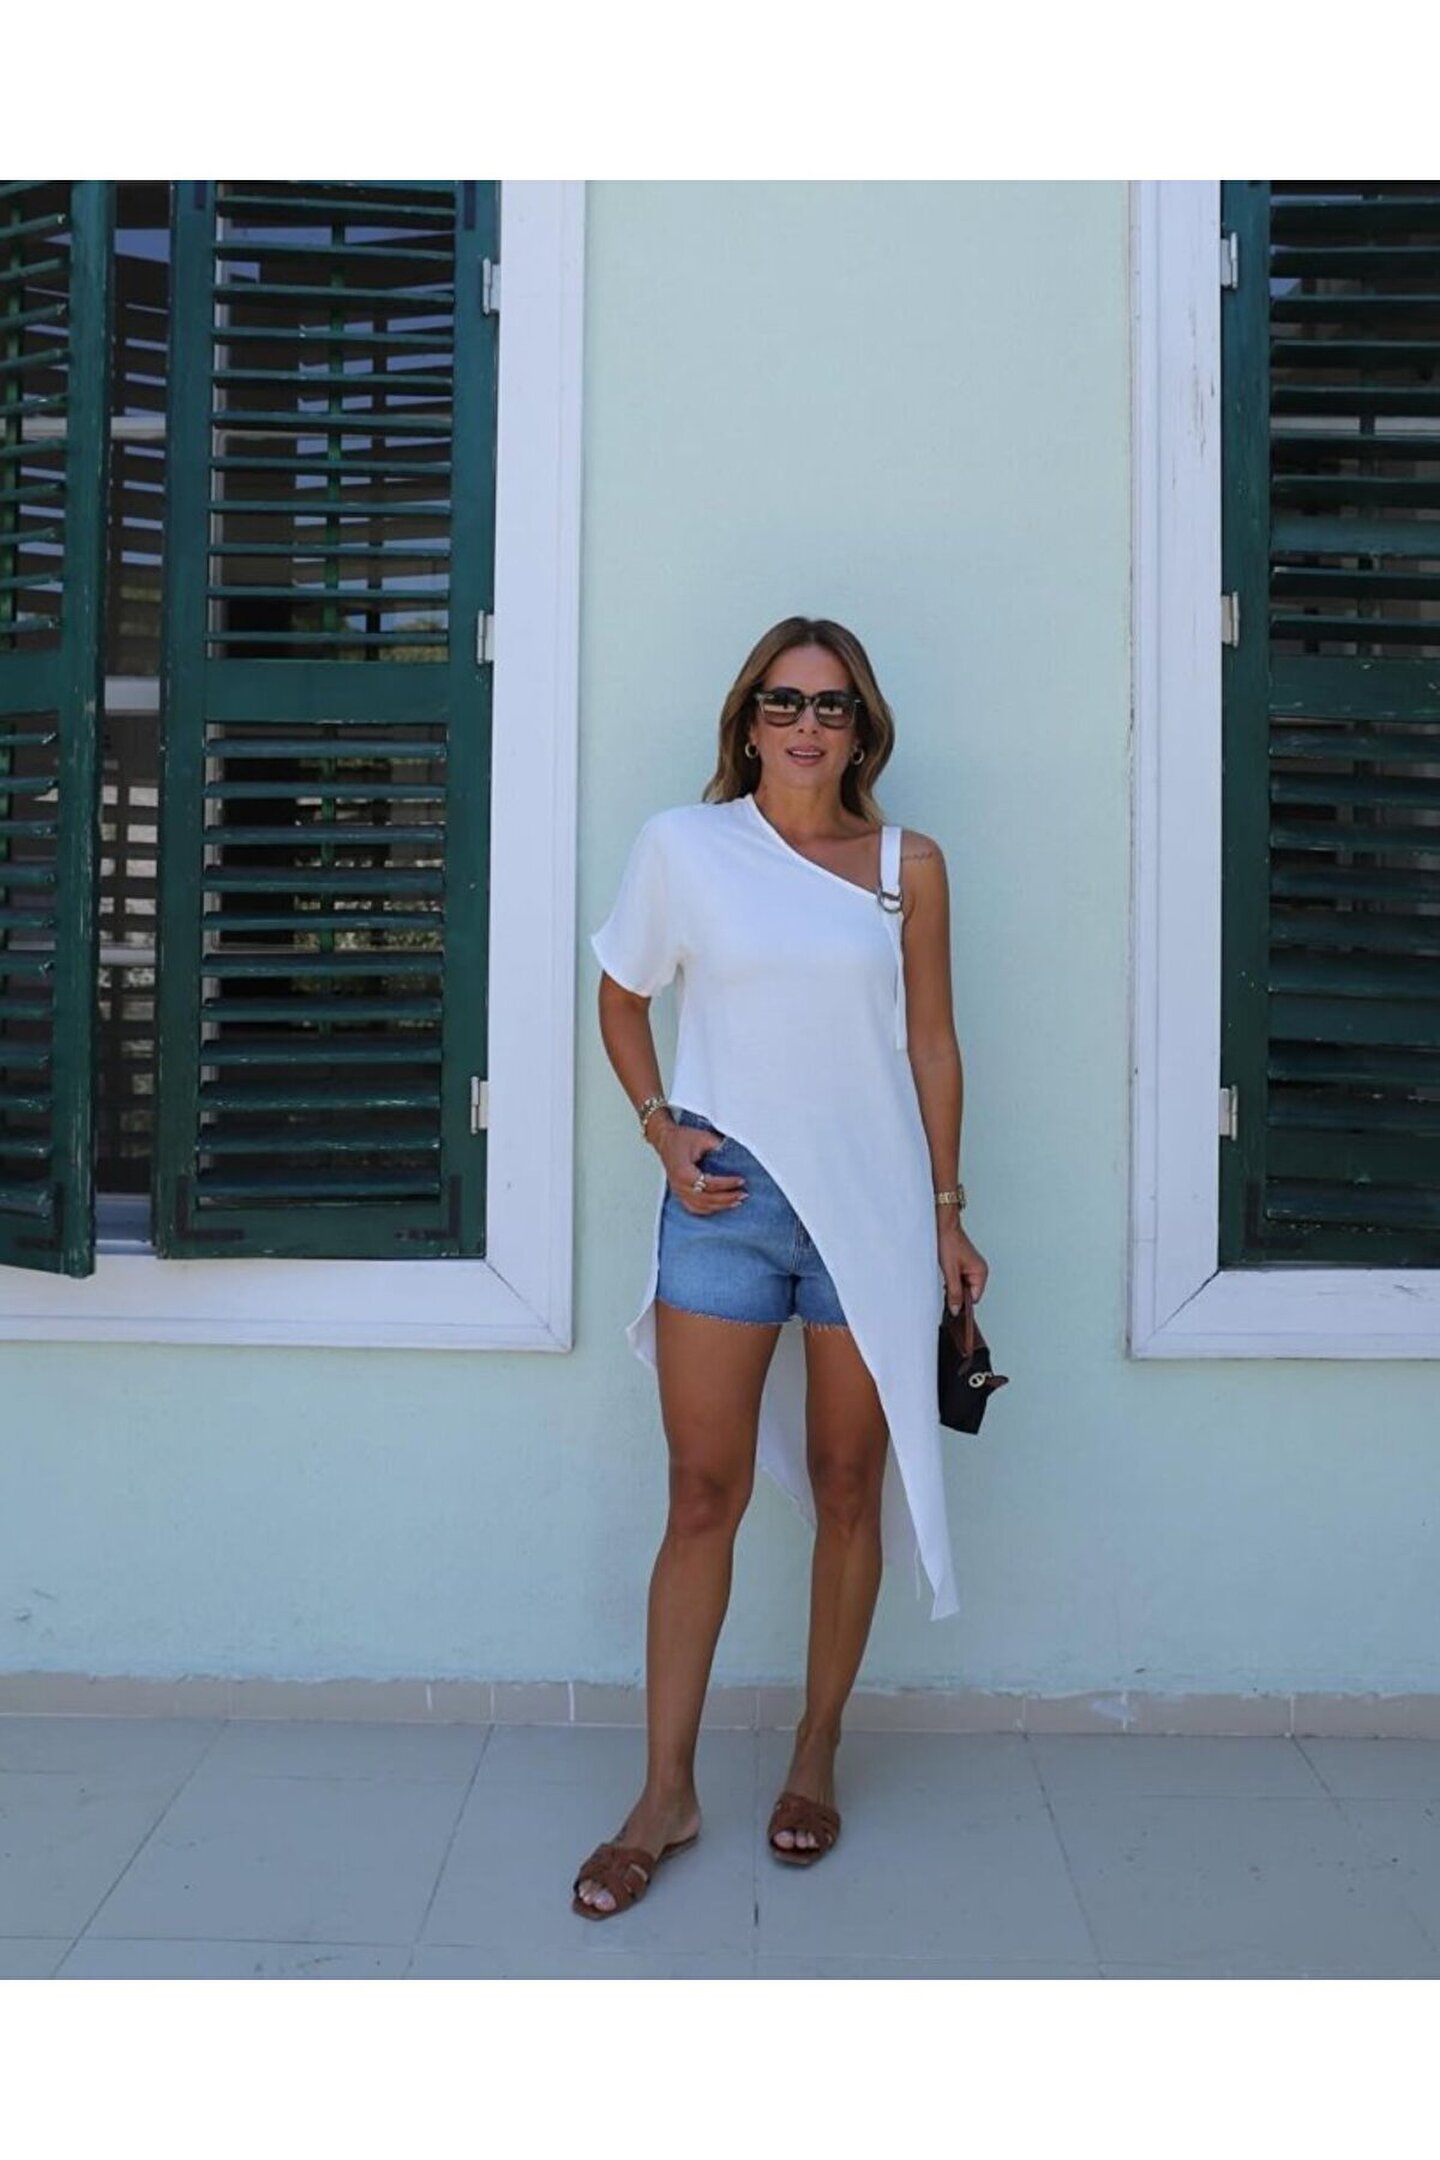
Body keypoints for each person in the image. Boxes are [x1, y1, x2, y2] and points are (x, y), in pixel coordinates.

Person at [573, 615, 989, 1919]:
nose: (808, 724)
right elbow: (622, 996)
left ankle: (815, 1754)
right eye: (784, 701)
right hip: (727, 1205)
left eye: (833, 704)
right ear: (747, 719)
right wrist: (661, 1131)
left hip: (871, 1212)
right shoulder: (683, 846)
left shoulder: (907, 868)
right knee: (703, 1494)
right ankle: (665, 1794)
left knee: (849, 1484)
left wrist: (946, 1213)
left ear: (863, 729)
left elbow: (932, 1044)